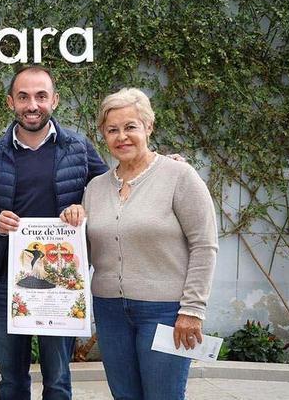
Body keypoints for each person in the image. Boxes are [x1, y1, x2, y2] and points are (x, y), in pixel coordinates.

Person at [60, 88, 218, 400]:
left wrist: (193, 310)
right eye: (112, 130)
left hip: (165, 311)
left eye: (130, 126)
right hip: (110, 311)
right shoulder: (95, 188)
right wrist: (71, 223)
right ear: (104, 135)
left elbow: (204, 245)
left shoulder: (179, 176)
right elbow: (85, 254)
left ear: (148, 126)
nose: (122, 137)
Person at [0, 65, 108, 400]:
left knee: (58, 381)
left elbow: (112, 194)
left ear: (54, 100)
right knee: (12, 381)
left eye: (41, 96)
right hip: (6, 283)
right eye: (23, 97)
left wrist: (83, 209)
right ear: (10, 102)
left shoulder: (79, 148)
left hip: (61, 284)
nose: (32, 105)